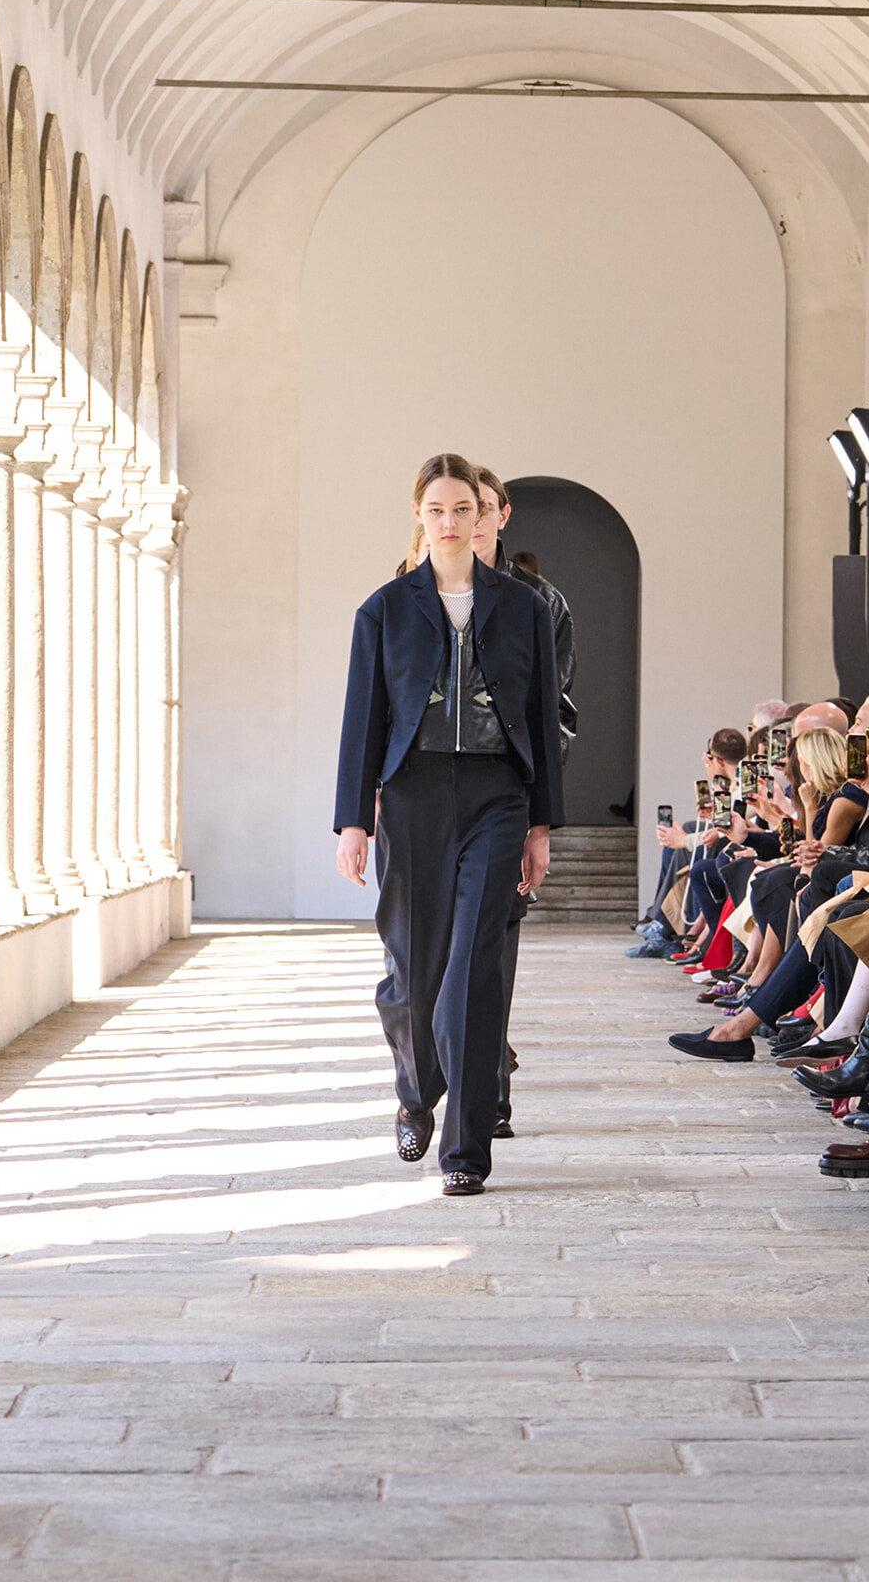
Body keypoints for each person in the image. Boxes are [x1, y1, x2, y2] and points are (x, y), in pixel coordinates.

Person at [335, 453, 564, 1196]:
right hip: (412, 796)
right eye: (436, 509)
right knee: (412, 970)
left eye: (462, 508)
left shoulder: (523, 607)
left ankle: (465, 1152)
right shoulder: (385, 608)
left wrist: (540, 825)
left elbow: (539, 721)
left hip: (498, 797)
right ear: (419, 517)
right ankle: (413, 1091)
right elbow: (363, 720)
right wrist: (352, 820)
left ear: (485, 515)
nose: (449, 521)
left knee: (473, 970)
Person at [472, 466, 577, 1136]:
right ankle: (449, 1061)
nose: (467, 521)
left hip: (503, 799)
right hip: (424, 802)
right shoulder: (403, 591)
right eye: (453, 508)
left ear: (502, 514)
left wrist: (537, 812)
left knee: (493, 945)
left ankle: (488, 1081)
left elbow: (555, 714)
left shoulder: (541, 602)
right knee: (425, 964)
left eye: (480, 507)